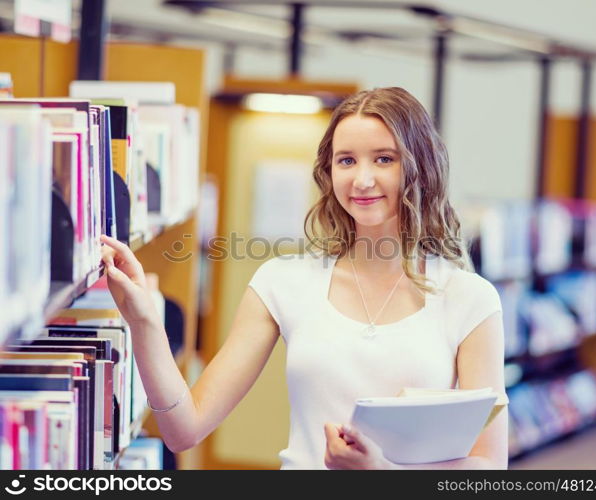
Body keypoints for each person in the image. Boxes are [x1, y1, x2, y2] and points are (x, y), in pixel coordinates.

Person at [100, 87, 507, 470]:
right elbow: (183, 430)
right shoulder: (283, 281)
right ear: (328, 172)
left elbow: (490, 467)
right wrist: (144, 321)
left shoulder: (469, 297)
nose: (362, 180)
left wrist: (381, 470)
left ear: (420, 168)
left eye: (384, 158)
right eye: (346, 160)